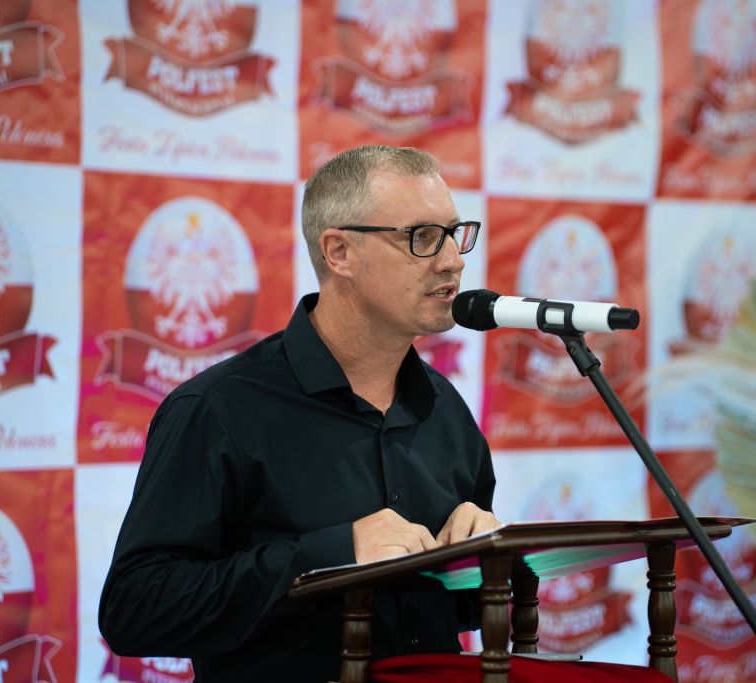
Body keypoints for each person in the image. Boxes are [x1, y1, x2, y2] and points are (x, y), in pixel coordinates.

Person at [98, 145, 499, 681]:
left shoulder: (445, 409)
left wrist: (481, 565)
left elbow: (454, 612)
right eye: (422, 237)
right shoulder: (218, 410)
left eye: (455, 234)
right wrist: (328, 555)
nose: (453, 260)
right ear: (339, 252)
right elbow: (135, 607)